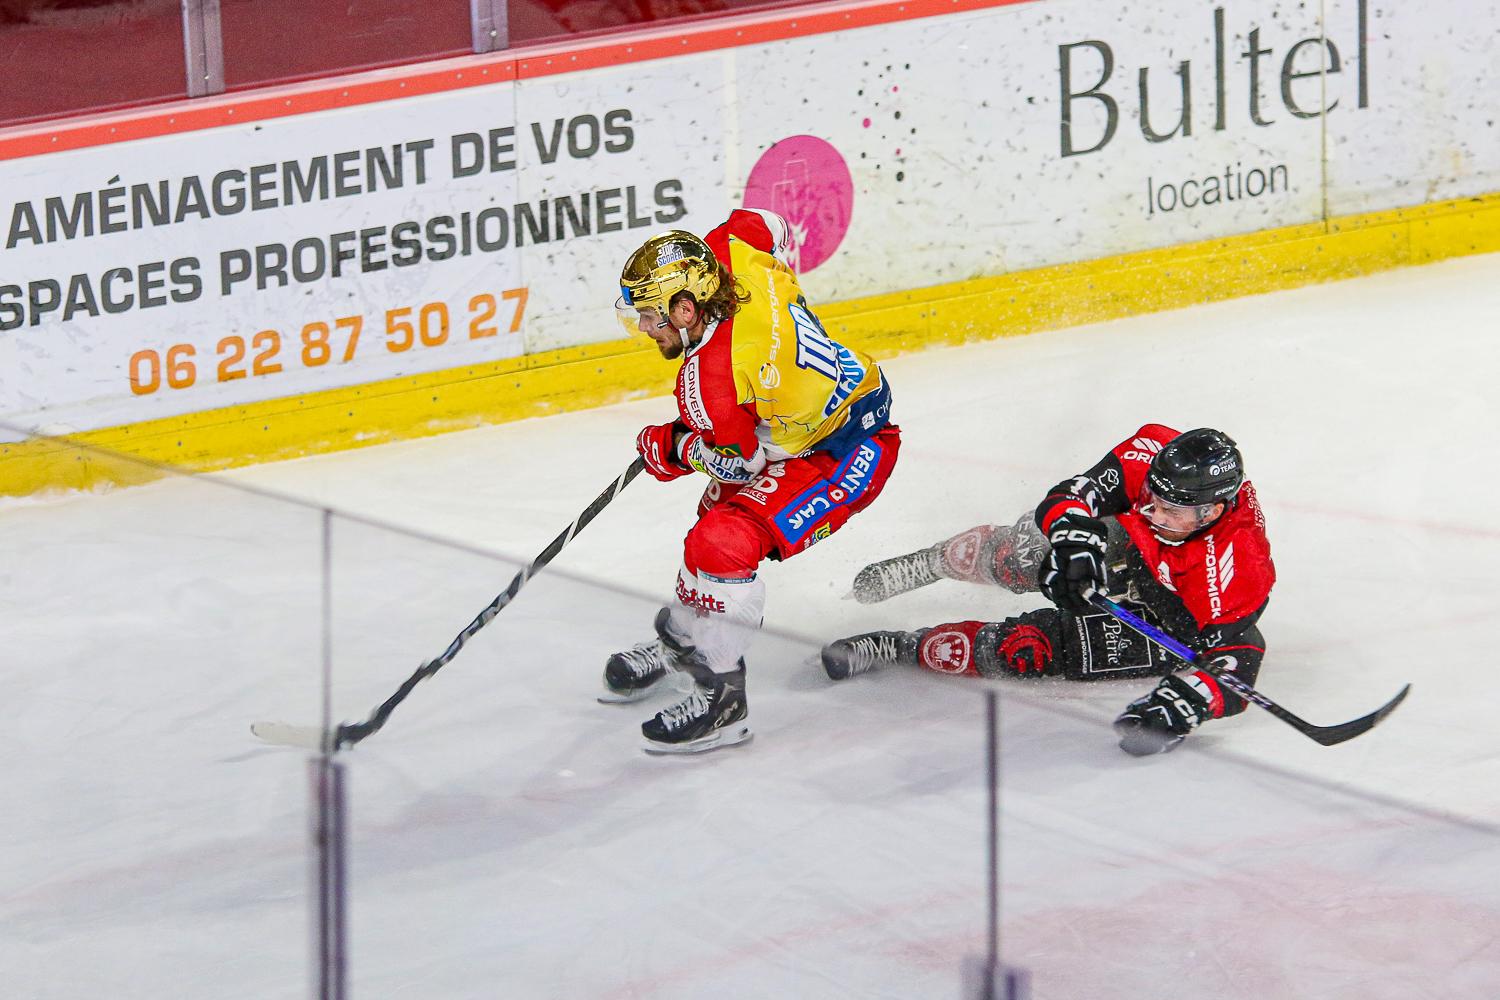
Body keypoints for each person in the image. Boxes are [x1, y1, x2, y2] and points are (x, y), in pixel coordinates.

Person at [606, 209, 901, 754]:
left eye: (649, 316)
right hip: (837, 398)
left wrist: (672, 447)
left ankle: (723, 701)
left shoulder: (710, 378)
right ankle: (683, 642)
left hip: (845, 450)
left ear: (686, 308)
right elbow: (769, 222)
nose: (645, 329)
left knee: (721, 543)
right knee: (710, 525)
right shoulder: (733, 247)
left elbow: (737, 464)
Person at [822, 425, 1275, 756]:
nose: (1154, 511)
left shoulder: (1238, 566)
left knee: (1026, 650)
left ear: (1213, 510)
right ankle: (934, 561)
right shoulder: (1154, 457)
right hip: (1136, 548)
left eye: (1171, 510)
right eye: (1151, 499)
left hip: (1170, 615)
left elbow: (1239, 653)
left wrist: (1185, 702)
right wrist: (1075, 541)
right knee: (1024, 553)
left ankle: (898, 648)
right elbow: (1071, 494)